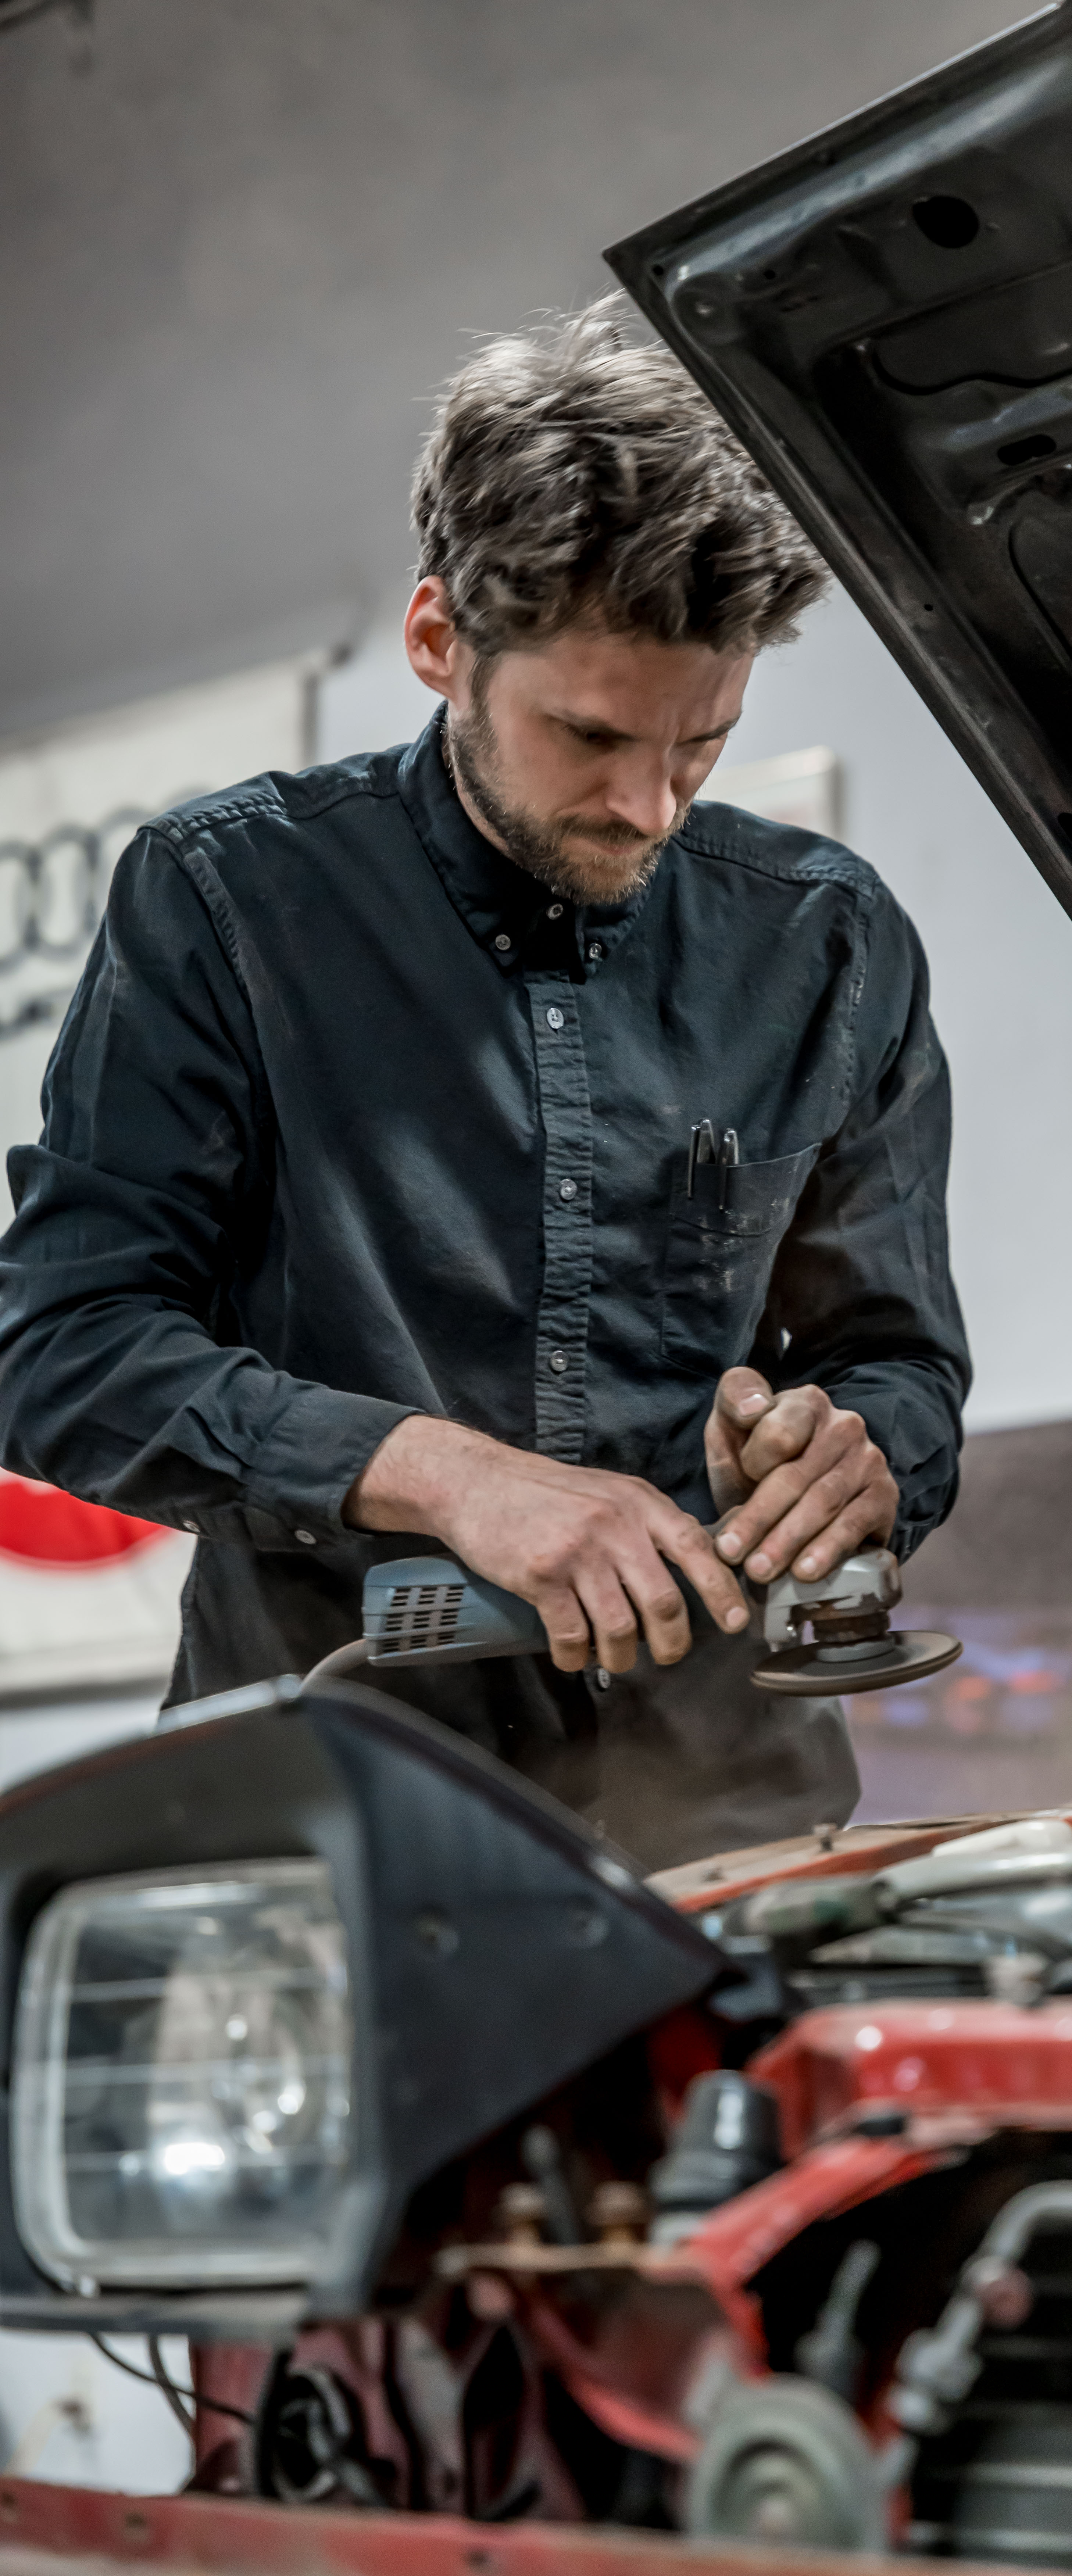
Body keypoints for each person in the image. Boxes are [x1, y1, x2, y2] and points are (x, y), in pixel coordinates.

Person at [0, 299, 969, 1870]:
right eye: (589, 736)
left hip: (729, 1806)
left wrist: (860, 1450)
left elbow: (897, 1361)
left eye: (703, 742)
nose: (649, 805)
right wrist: (449, 1479)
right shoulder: (229, 900)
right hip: (327, 1808)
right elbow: (61, 1354)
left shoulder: (827, 938)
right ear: (441, 640)